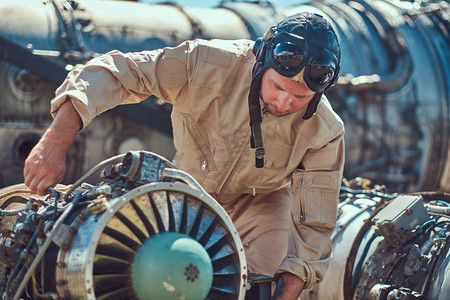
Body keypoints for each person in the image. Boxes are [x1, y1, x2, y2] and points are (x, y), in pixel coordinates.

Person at [24, 12, 344, 299]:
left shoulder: (326, 131)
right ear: (261, 63)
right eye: (277, 86)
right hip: (187, 191)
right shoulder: (205, 64)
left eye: (300, 97)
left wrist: (287, 289)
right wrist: (54, 142)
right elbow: (117, 72)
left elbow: (314, 225)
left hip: (262, 205)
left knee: (262, 286)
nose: (284, 103)